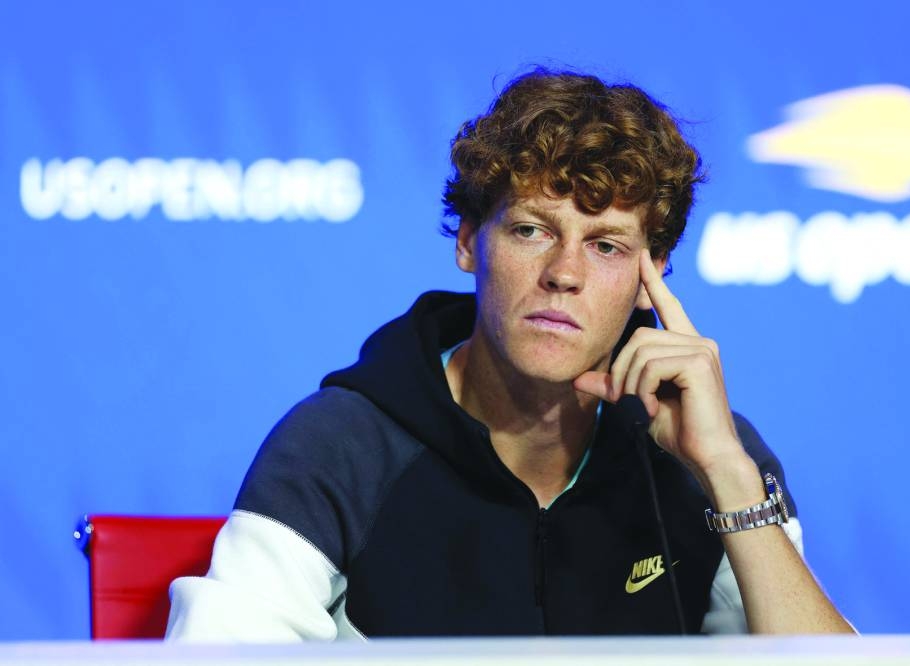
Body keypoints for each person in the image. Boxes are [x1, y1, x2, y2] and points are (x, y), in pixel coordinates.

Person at [166, 67, 854, 640]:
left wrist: (728, 475)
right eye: (531, 230)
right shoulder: (340, 445)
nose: (565, 273)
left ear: (654, 271)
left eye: (606, 245)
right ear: (469, 242)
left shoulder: (710, 453)